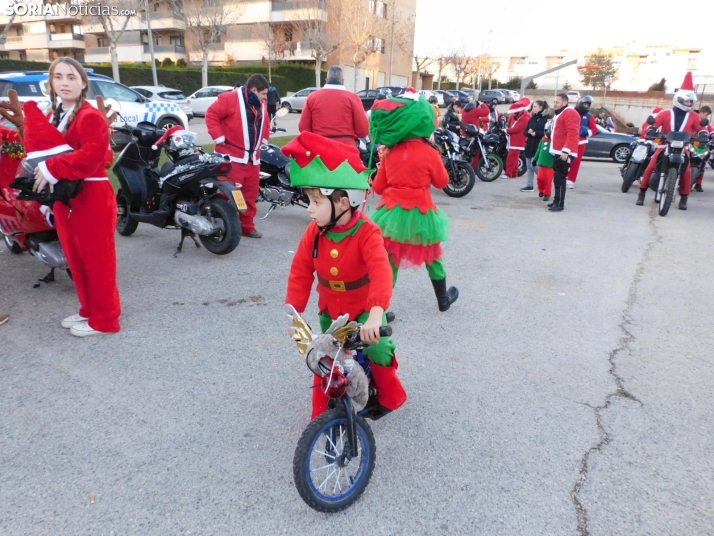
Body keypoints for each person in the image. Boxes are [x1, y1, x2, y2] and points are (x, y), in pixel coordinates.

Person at [283, 131, 407, 421]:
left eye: (316, 201)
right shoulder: (314, 232)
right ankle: (319, 416)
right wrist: (294, 313)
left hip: (364, 308)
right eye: (309, 201)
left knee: (380, 349)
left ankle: (389, 396)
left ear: (342, 203)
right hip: (331, 311)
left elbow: (381, 272)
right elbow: (301, 270)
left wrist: (376, 315)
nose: (310, 210)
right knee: (324, 357)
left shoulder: (367, 232)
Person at [30, 57, 121, 336]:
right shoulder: (54, 114)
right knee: (77, 258)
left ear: (83, 83)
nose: (64, 83)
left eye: (71, 77)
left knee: (97, 260)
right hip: (66, 198)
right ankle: (90, 310)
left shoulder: (90, 116)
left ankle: (106, 320)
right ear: (51, 82)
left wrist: (51, 167)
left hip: (91, 196)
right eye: (58, 77)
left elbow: (92, 156)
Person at [369, 88, 459, 311]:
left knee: (390, 262)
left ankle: (382, 310)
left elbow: (379, 187)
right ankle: (442, 300)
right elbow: (441, 182)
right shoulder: (430, 153)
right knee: (433, 256)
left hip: (391, 214)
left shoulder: (389, 152)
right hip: (421, 211)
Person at [206, 74, 270, 239]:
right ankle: (224, 226)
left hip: (252, 160)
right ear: (254, 90)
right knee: (230, 195)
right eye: (263, 93)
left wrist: (264, 138)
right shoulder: (229, 99)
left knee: (250, 195)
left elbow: (266, 122)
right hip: (232, 158)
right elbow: (211, 114)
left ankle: (247, 227)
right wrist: (218, 137)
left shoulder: (261, 103)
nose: (265, 97)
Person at [636, 73, 703, 210]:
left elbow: (701, 128)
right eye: (687, 101)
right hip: (664, 145)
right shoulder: (665, 113)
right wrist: (651, 130)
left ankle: (684, 197)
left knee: (687, 172)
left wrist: (704, 135)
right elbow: (653, 125)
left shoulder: (695, 116)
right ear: (679, 99)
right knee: (650, 167)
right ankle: (641, 192)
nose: (689, 104)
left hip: (683, 147)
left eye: (691, 102)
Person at [298, 65, 369, 146]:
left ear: (326, 80)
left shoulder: (312, 97)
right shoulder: (353, 98)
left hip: (319, 149)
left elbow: (303, 128)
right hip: (346, 150)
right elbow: (363, 131)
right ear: (343, 81)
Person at [547, 93, 580, 212]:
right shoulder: (562, 113)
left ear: (565, 103)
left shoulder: (570, 113)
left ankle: (560, 203)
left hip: (564, 152)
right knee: (557, 178)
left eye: (557, 102)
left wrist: (566, 150)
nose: (554, 104)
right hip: (558, 151)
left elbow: (573, 132)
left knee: (560, 178)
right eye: (554, 102)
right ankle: (556, 200)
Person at [566, 95, 599, 188]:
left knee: (576, 162)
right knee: (563, 159)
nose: (587, 106)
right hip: (568, 140)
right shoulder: (570, 112)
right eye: (585, 104)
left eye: (588, 104)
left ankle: (571, 180)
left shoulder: (589, 116)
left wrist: (586, 132)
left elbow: (594, 129)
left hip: (581, 142)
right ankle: (562, 176)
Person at [520, 100, 549, 191]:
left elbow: (548, 132)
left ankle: (544, 180)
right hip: (530, 145)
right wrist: (528, 132)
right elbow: (525, 131)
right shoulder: (532, 118)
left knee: (534, 165)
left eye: (535, 106)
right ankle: (530, 185)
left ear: (541, 107)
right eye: (533, 106)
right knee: (528, 166)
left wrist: (536, 133)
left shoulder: (547, 119)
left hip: (539, 145)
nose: (533, 108)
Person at [504, 98, 531, 179]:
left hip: (517, 140)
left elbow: (517, 129)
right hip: (516, 140)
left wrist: (506, 130)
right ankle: (514, 174)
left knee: (511, 158)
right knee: (515, 158)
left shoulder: (525, 117)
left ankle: (508, 174)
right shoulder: (522, 116)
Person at [693, 105, 712, 193]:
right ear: (702, 112)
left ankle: (698, 184)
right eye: (706, 114)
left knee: (703, 164)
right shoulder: (693, 118)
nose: (707, 117)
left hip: (702, 147)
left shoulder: (706, 123)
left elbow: (711, 130)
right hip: (692, 145)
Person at [534, 121, 555, 201]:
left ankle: (547, 194)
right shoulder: (543, 140)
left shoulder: (555, 141)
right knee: (540, 179)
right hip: (541, 163)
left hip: (550, 164)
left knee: (548, 180)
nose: (548, 132)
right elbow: (539, 150)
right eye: (547, 130)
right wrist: (535, 159)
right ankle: (541, 190)